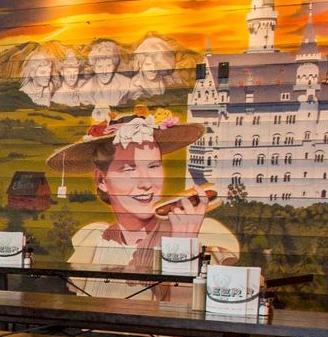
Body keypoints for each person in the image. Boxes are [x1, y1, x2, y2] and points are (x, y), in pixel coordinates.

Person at [50, 107, 237, 299]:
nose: (146, 183)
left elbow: (182, 311)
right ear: (101, 180)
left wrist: (183, 245)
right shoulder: (96, 239)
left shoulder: (203, 233)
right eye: (129, 169)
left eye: (154, 166)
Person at [81, 39, 140, 109]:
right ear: (94, 68)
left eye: (108, 66)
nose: (104, 71)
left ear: (114, 66)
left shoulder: (128, 84)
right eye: (100, 66)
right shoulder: (85, 90)